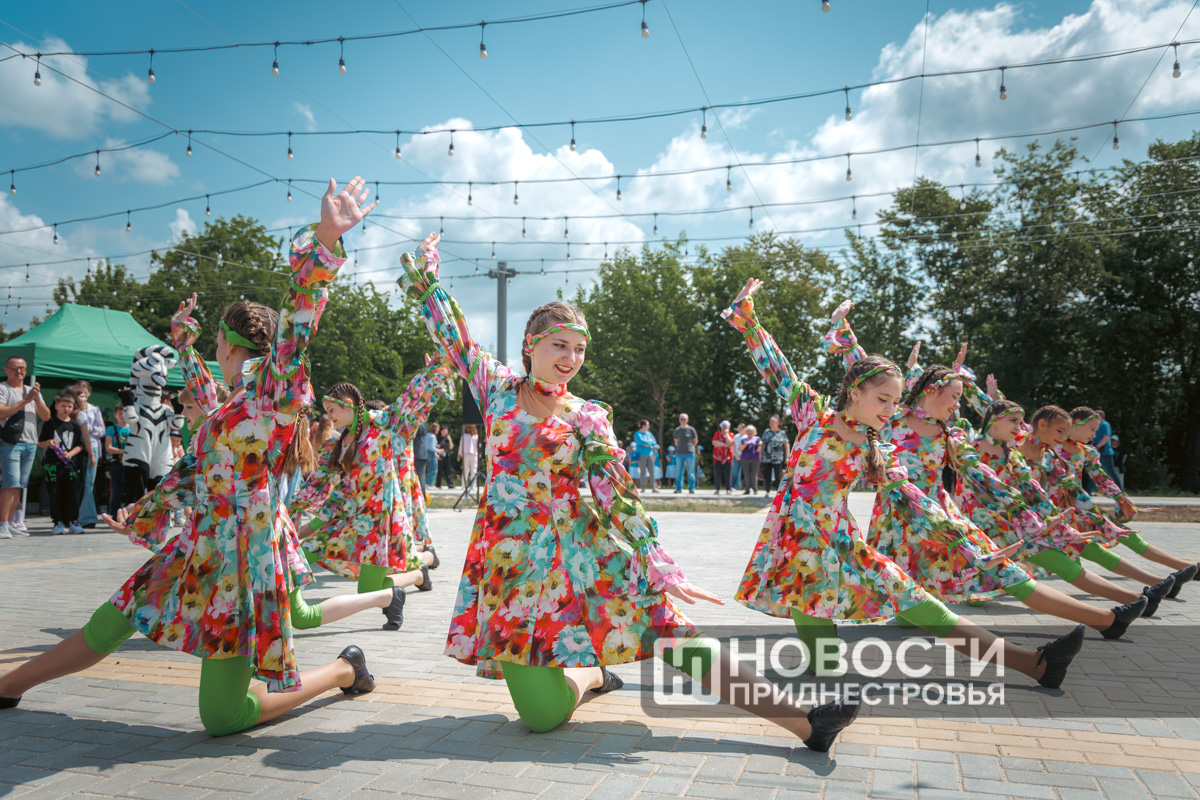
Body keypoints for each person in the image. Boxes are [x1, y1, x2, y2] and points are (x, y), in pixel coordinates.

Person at [399, 235, 860, 753]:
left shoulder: (587, 416)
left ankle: (806, 722)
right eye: (559, 345)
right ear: (530, 343)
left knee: (669, 629)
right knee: (542, 718)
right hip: (510, 566)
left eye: (579, 348)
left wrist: (655, 558)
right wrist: (429, 281)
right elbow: (455, 338)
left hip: (580, 549)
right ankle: (593, 675)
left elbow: (615, 491)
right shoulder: (496, 388)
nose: (570, 358)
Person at [0, 177, 380, 735]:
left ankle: (345, 669)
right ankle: (8, 685)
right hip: (197, 545)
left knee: (223, 717)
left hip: (241, 562)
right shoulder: (231, 407)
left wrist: (324, 245)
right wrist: (141, 511)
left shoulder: (273, 392)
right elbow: (197, 464)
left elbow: (299, 326)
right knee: (108, 624)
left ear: (227, 343)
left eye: (211, 343)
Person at [725, 277, 1088, 689]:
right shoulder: (814, 413)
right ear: (855, 392)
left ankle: (1035, 662)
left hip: (843, 545)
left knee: (915, 599)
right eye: (883, 400)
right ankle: (824, 680)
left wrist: (971, 547)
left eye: (896, 402)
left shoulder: (875, 445)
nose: (890, 410)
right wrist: (749, 319)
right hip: (794, 542)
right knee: (820, 645)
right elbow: (778, 369)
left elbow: (916, 501)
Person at [827, 307, 1147, 639]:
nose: (958, 405)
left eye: (960, 398)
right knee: (906, 606)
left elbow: (984, 477)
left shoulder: (951, 435)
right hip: (894, 524)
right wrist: (842, 327)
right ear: (930, 391)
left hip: (941, 518)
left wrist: (1027, 512)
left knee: (1005, 571)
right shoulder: (892, 418)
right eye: (954, 396)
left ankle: (1106, 619)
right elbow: (867, 374)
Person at [289, 370, 449, 632]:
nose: (329, 416)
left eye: (331, 410)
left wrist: (431, 374)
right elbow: (317, 482)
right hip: (350, 521)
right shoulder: (339, 444)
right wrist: (290, 508)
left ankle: (418, 574)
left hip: (380, 523)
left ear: (348, 404)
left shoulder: (381, 426)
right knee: (300, 554)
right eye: (327, 411)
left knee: (367, 590)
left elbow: (409, 403)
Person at [0, 356, 50, 538]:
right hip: (11, 443)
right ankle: (2, 525)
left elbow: (46, 416)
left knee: (19, 486)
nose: (19, 372)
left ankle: (10, 523)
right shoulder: (3, 388)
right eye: (14, 368)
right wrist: (25, 400)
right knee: (10, 484)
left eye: (22, 368)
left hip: (31, 443)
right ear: (6, 370)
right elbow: (1, 412)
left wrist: (36, 399)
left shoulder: (31, 390)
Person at [39, 392, 86, 535]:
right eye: (63, 406)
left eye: (69, 406)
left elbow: (80, 445)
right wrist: (49, 443)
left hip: (69, 464)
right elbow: (40, 442)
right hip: (52, 464)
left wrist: (70, 453)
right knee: (54, 493)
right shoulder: (49, 423)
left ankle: (73, 521)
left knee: (72, 493)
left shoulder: (75, 425)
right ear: (56, 406)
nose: (66, 409)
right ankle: (57, 521)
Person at [68, 381, 106, 528]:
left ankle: (88, 517)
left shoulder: (93, 409)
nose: (84, 397)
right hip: (75, 447)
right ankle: (74, 515)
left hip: (91, 446)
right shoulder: (71, 410)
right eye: (80, 394)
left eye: (85, 394)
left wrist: (88, 428)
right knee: (76, 482)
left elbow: (101, 431)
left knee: (88, 482)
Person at [104, 406, 130, 516]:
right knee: (116, 491)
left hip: (131, 464)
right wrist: (124, 451)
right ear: (115, 415)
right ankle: (115, 515)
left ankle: (130, 515)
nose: (122, 416)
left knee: (130, 490)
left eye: (125, 414)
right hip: (117, 463)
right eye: (120, 413)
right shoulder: (111, 429)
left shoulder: (133, 429)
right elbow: (108, 447)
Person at [760, 415, 790, 494]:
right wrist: (760, 455)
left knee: (778, 475)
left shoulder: (782, 433)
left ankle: (778, 491)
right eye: (771, 421)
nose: (772, 423)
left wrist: (787, 457)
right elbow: (762, 444)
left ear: (778, 423)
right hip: (766, 457)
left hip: (778, 457)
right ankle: (767, 490)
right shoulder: (766, 432)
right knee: (767, 474)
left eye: (773, 421)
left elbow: (786, 445)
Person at [632, 419, 660, 493]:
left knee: (652, 471)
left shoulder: (649, 433)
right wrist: (649, 442)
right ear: (643, 426)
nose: (649, 426)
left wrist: (648, 444)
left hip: (650, 455)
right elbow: (640, 441)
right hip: (641, 456)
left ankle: (654, 488)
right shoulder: (637, 434)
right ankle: (643, 488)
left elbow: (654, 442)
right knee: (642, 472)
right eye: (648, 425)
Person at [673, 413, 698, 494]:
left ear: (687, 420)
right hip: (679, 453)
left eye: (684, 419)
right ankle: (678, 488)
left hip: (690, 453)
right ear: (679, 420)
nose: (683, 420)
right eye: (681, 419)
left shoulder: (691, 429)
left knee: (691, 471)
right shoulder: (677, 430)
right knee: (679, 471)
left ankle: (692, 488)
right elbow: (676, 441)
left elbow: (695, 440)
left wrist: (691, 447)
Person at [1092, 410, 1118, 485]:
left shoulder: (1105, 424)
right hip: (1097, 451)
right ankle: (1089, 490)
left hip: (1105, 452)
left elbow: (1106, 437)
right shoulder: (1096, 425)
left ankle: (1120, 489)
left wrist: (1097, 446)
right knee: (1093, 470)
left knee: (1111, 472)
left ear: (1101, 416)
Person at [737, 424, 761, 495]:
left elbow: (760, 446)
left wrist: (759, 448)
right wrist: (745, 445)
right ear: (746, 432)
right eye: (748, 431)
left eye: (751, 431)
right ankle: (747, 490)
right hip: (745, 459)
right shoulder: (743, 440)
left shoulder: (757, 439)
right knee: (746, 474)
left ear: (754, 432)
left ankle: (755, 490)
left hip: (755, 459)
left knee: (754, 475)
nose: (750, 433)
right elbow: (739, 449)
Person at [711, 421, 734, 495]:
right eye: (723, 426)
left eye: (726, 426)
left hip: (727, 457)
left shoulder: (731, 434)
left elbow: (730, 443)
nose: (724, 427)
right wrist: (725, 444)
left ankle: (728, 489)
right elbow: (714, 443)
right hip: (717, 457)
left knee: (728, 473)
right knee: (717, 473)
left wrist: (726, 434)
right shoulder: (717, 434)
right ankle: (717, 489)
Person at [435, 422, 455, 488]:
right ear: (441, 431)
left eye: (446, 431)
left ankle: (450, 484)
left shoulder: (447, 438)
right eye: (444, 431)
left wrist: (450, 440)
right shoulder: (437, 437)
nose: (445, 432)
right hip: (440, 455)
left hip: (446, 455)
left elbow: (451, 447)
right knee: (439, 471)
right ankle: (438, 484)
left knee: (448, 471)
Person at [731, 422, 746, 490]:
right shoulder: (736, 436)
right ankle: (733, 486)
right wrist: (736, 455)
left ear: (744, 428)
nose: (738, 430)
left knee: (746, 472)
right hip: (736, 456)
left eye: (740, 428)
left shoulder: (747, 436)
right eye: (738, 428)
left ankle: (747, 487)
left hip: (745, 456)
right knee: (734, 471)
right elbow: (733, 446)